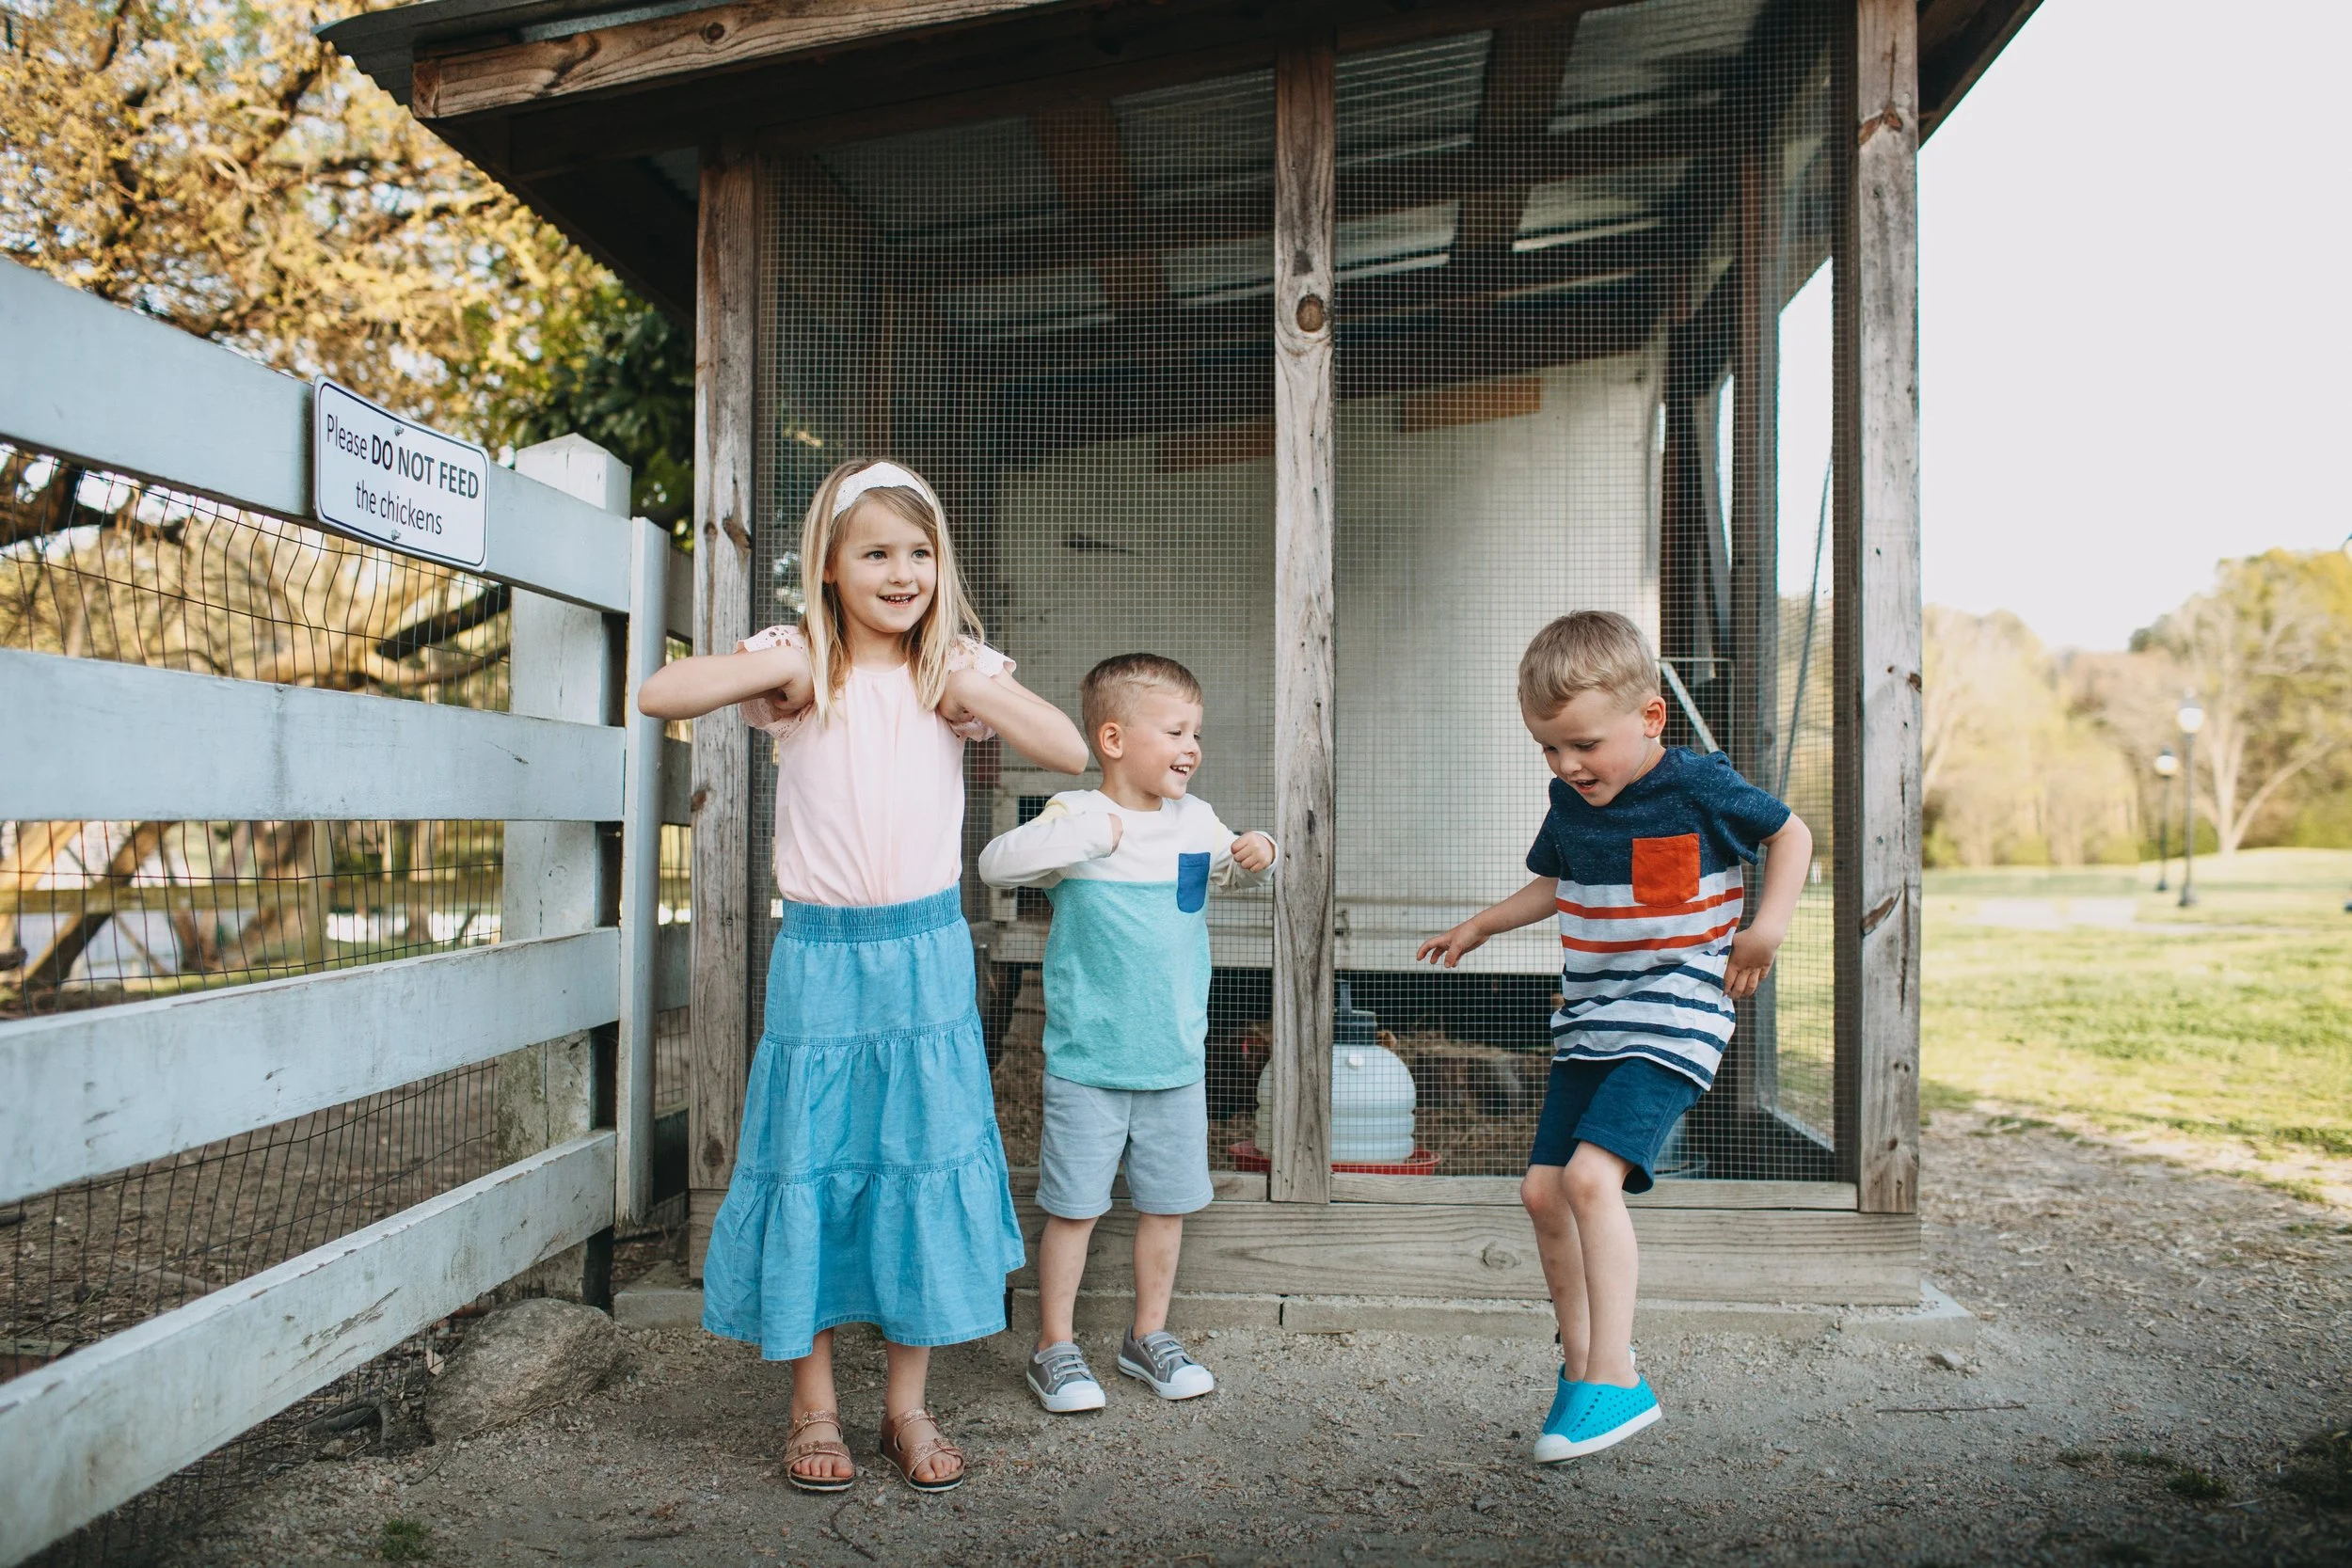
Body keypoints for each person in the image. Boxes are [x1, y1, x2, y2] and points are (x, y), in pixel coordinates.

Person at [636, 458, 1088, 1494]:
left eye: (919, 552)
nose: (901, 572)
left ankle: (906, 1405)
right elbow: (662, 692)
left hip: (927, 953)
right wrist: (785, 663)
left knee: (917, 1158)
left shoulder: (953, 673)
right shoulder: (800, 668)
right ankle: (814, 1406)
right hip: (824, 954)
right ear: (829, 567)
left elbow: (1067, 749)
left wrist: (964, 680)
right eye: (875, 552)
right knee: (816, 1156)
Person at [1416, 610, 1811, 1463]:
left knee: (1591, 1178)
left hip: (1677, 1011)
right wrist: (1482, 923)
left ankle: (1617, 1377)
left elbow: (1791, 833)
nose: (1567, 765)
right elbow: (1557, 882)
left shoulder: (1698, 785)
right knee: (1542, 1191)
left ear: (1651, 717)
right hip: (1592, 1020)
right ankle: (1582, 1365)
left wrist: (1766, 928)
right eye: (1549, 749)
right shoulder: (1572, 799)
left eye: (1585, 745)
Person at [977, 654, 1277, 1415]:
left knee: (1166, 1207)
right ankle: (1054, 1345)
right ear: (1112, 739)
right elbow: (993, 865)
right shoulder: (1075, 814)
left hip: (1174, 1062)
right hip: (1087, 1064)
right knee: (1073, 1208)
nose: (1192, 746)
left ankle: (1148, 1336)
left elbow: (1237, 866)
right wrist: (1080, 841)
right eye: (1175, 731)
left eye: (1196, 732)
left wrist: (1262, 850)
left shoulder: (1197, 820)